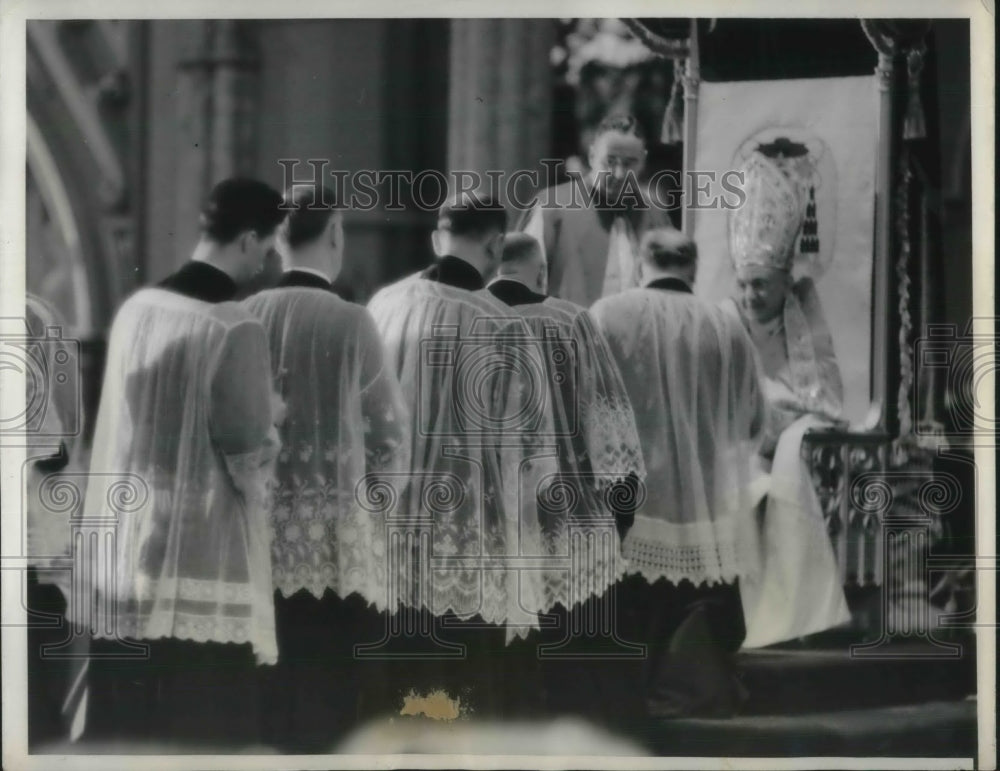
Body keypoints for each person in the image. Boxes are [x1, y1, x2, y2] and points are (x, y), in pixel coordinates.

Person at [82, 177, 285, 747]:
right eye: (269, 247)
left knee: (130, 732)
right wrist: (277, 424)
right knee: (201, 733)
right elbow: (248, 454)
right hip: (200, 557)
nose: (269, 262)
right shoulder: (233, 325)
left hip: (129, 550)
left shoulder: (138, 310)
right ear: (248, 240)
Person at [366, 192, 556, 719]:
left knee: (399, 694)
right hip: (469, 536)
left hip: (391, 534)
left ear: (435, 239)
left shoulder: (383, 305)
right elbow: (530, 451)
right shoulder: (503, 323)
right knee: (463, 692)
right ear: (497, 247)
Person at [243, 183, 410, 751]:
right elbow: (389, 437)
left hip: (255, 542)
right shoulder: (352, 321)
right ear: (336, 233)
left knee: (267, 700)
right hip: (334, 548)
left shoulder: (243, 316)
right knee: (325, 700)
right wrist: (373, 518)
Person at [591, 229, 765, 719]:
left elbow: (579, 406)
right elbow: (752, 422)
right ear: (692, 267)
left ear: (642, 264)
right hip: (702, 503)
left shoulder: (607, 314)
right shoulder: (726, 325)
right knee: (696, 614)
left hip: (628, 499)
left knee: (630, 620)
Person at [486, 233, 646, 727]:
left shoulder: (469, 317)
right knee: (575, 676)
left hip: (494, 530)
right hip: (571, 526)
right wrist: (620, 518)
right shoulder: (571, 320)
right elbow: (611, 428)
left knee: (507, 680)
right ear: (541, 274)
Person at [720, 149, 851, 649]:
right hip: (745, 439)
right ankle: (751, 617)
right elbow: (725, 393)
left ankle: (796, 616)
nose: (751, 295)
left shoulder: (805, 311)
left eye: (761, 285)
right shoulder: (727, 317)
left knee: (795, 458)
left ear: (782, 281)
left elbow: (825, 391)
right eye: (744, 284)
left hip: (792, 434)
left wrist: (783, 409)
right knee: (743, 486)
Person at [523, 113, 675, 307]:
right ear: (592, 155)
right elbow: (524, 285)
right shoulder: (552, 207)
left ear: (643, 160)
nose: (619, 174)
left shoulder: (656, 215)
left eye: (629, 164)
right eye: (610, 162)